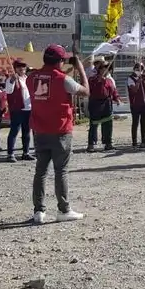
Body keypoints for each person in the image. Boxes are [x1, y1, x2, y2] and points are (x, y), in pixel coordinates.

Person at [26, 43, 90, 223]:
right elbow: (86, 91)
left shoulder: (31, 77)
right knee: (61, 171)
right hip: (60, 130)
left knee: (40, 171)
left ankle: (39, 211)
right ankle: (64, 209)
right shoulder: (63, 79)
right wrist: (80, 68)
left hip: (40, 130)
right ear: (60, 61)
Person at [87, 61, 121, 152]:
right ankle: (91, 144)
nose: (106, 70)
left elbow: (113, 91)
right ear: (100, 69)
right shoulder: (92, 79)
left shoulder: (109, 80)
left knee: (108, 125)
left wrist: (117, 99)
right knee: (93, 125)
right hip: (95, 104)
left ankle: (108, 143)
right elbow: (89, 89)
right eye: (104, 68)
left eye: (107, 68)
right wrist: (98, 81)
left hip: (106, 104)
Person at [4, 59, 34, 162]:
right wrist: (12, 80)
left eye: (23, 66)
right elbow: (8, 91)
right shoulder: (11, 79)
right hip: (17, 109)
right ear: (15, 68)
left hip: (28, 108)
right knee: (14, 131)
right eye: (19, 67)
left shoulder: (27, 79)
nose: (22, 68)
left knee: (27, 132)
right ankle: (10, 154)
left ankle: (26, 153)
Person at [127, 62, 145, 148]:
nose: (139, 70)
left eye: (141, 69)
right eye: (137, 69)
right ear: (134, 69)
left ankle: (144, 140)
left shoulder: (144, 77)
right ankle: (134, 142)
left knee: (143, 122)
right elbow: (134, 90)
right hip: (135, 104)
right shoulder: (130, 78)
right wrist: (138, 81)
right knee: (135, 122)